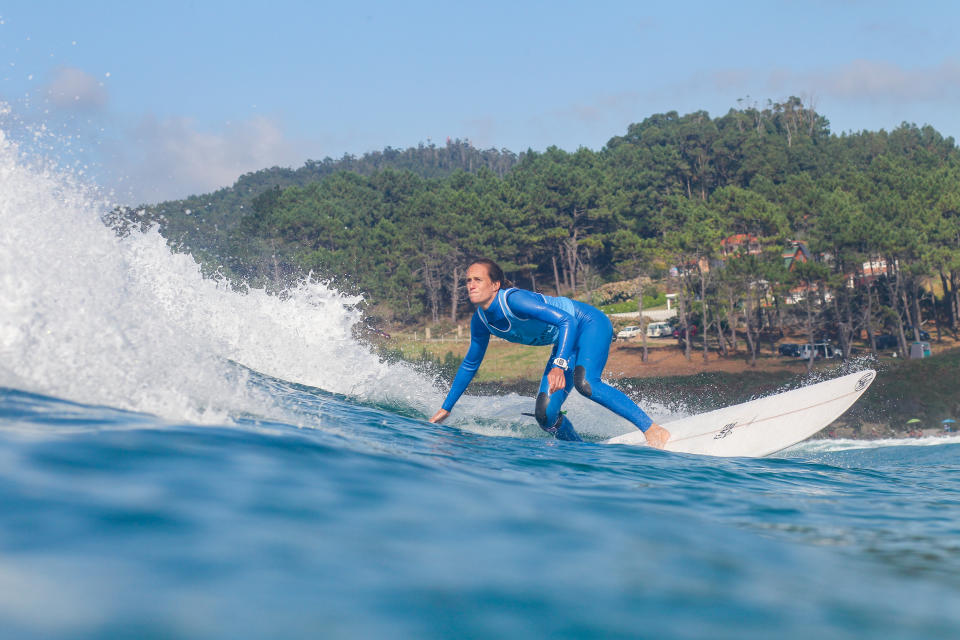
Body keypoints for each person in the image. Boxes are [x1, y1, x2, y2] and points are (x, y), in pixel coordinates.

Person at [429, 258, 670, 448]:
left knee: (586, 383)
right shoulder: (480, 321)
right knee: (545, 415)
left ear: (495, 285)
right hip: (565, 340)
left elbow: (567, 321)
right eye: (468, 280)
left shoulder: (515, 301)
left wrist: (559, 364)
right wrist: (447, 407)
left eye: (478, 280)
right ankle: (579, 450)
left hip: (587, 323)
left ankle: (652, 429)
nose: (470, 285)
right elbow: (470, 364)